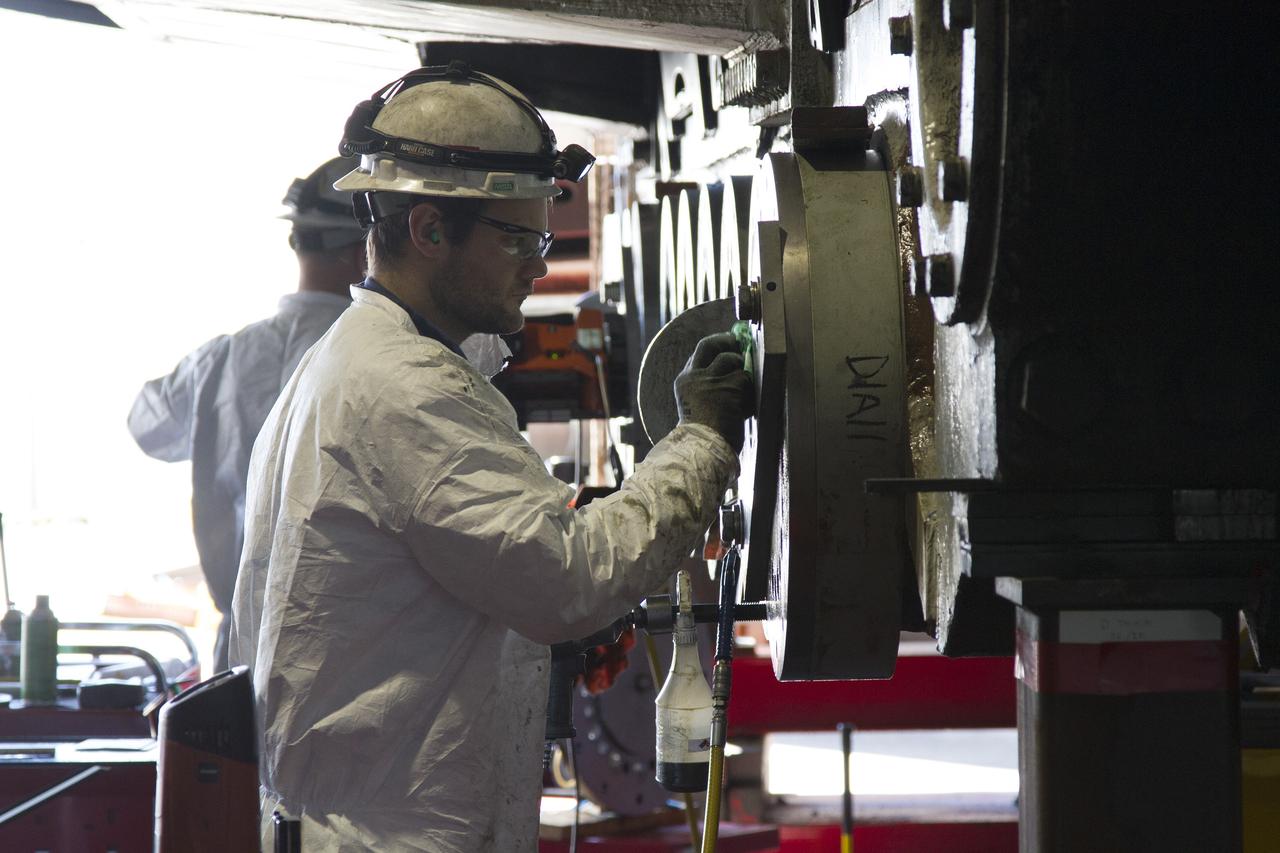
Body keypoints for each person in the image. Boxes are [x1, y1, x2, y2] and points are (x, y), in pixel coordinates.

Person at [230, 62, 753, 852]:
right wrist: (704, 435)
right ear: (429, 231)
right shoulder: (403, 389)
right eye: (519, 238)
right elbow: (568, 578)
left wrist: (529, 635)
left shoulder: (347, 363)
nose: (539, 264)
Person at [127, 158, 367, 671]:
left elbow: (146, 426)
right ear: (362, 252)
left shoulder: (224, 359)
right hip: (343, 660)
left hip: (236, 659)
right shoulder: (381, 359)